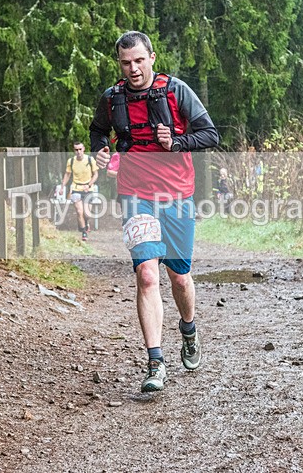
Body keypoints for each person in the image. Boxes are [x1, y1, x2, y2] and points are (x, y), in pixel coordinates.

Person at [90, 31, 220, 392]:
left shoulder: (176, 91)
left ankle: (189, 328)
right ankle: (155, 363)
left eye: (139, 61)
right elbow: (98, 131)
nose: (133, 69)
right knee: (147, 274)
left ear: (152, 57)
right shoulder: (112, 98)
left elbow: (210, 135)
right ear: (119, 63)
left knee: (179, 277)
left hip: (177, 194)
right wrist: (101, 150)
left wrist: (176, 142)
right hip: (135, 195)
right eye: (125, 62)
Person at [61, 141, 98, 241]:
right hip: (76, 188)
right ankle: (84, 232)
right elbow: (67, 174)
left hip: (88, 189)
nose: (78, 152)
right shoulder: (71, 161)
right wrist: (62, 186)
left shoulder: (90, 160)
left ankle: (86, 223)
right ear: (74, 150)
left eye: (80, 149)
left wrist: (89, 184)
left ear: (84, 149)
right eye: (76, 150)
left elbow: (95, 174)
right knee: (79, 211)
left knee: (87, 214)